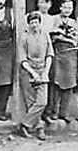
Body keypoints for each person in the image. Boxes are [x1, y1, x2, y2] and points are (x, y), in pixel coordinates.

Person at [16, 11, 54, 141]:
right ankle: (39, 129)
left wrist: (45, 72)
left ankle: (24, 124)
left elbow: (49, 54)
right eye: (31, 23)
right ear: (28, 24)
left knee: (42, 102)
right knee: (32, 102)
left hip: (42, 70)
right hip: (28, 71)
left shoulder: (45, 34)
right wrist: (32, 73)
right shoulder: (24, 36)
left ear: (39, 23)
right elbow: (22, 58)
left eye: (36, 22)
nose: (34, 25)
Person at [49, 0, 78, 123]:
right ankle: (54, 111)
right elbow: (54, 37)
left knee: (69, 84)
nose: (67, 10)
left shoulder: (74, 22)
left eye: (70, 8)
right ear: (60, 7)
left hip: (71, 56)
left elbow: (77, 38)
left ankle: (64, 112)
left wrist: (73, 39)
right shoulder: (54, 19)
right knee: (57, 83)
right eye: (65, 7)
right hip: (59, 53)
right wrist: (67, 39)